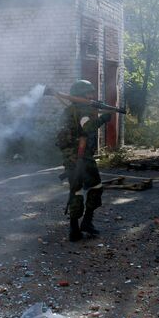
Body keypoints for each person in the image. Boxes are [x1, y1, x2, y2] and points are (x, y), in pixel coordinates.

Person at [57, 80, 112, 242]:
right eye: (88, 93)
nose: (91, 95)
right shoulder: (82, 110)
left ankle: (74, 229)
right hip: (82, 157)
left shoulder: (70, 110)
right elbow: (87, 127)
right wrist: (103, 119)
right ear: (80, 94)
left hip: (70, 157)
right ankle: (86, 222)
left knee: (76, 190)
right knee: (96, 187)